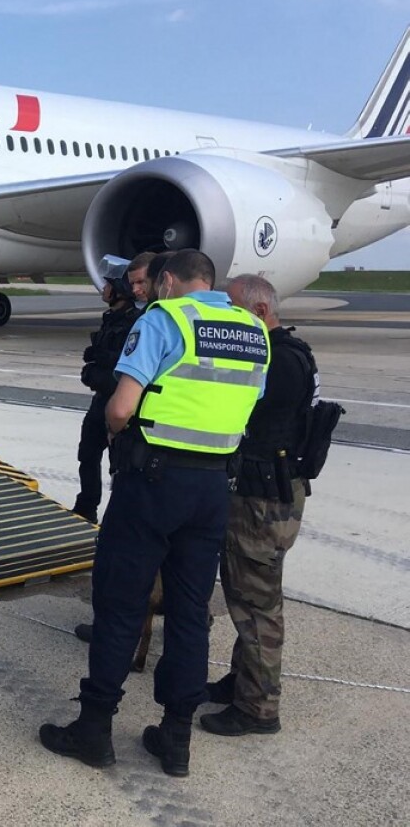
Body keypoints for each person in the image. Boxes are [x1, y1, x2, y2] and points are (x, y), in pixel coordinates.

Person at [40, 249, 269, 778]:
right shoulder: (251, 330)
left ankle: (94, 729)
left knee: (121, 603)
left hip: (154, 482)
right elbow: (247, 408)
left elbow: (119, 409)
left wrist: (128, 434)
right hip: (213, 487)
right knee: (189, 612)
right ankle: (176, 737)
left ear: (168, 280)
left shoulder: (164, 319)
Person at [201, 274, 317, 737]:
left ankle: (258, 709)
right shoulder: (294, 353)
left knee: (255, 604)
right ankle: (243, 681)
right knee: (252, 595)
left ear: (261, 312)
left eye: (233, 309)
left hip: (261, 502)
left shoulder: (276, 361)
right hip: (277, 495)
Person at [70, 255, 146, 524]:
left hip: (117, 403)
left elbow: (124, 369)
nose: (103, 289)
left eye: (108, 285)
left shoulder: (134, 323)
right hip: (99, 403)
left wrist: (97, 369)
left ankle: (117, 516)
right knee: (87, 455)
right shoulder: (111, 318)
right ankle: (86, 506)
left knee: (120, 466)